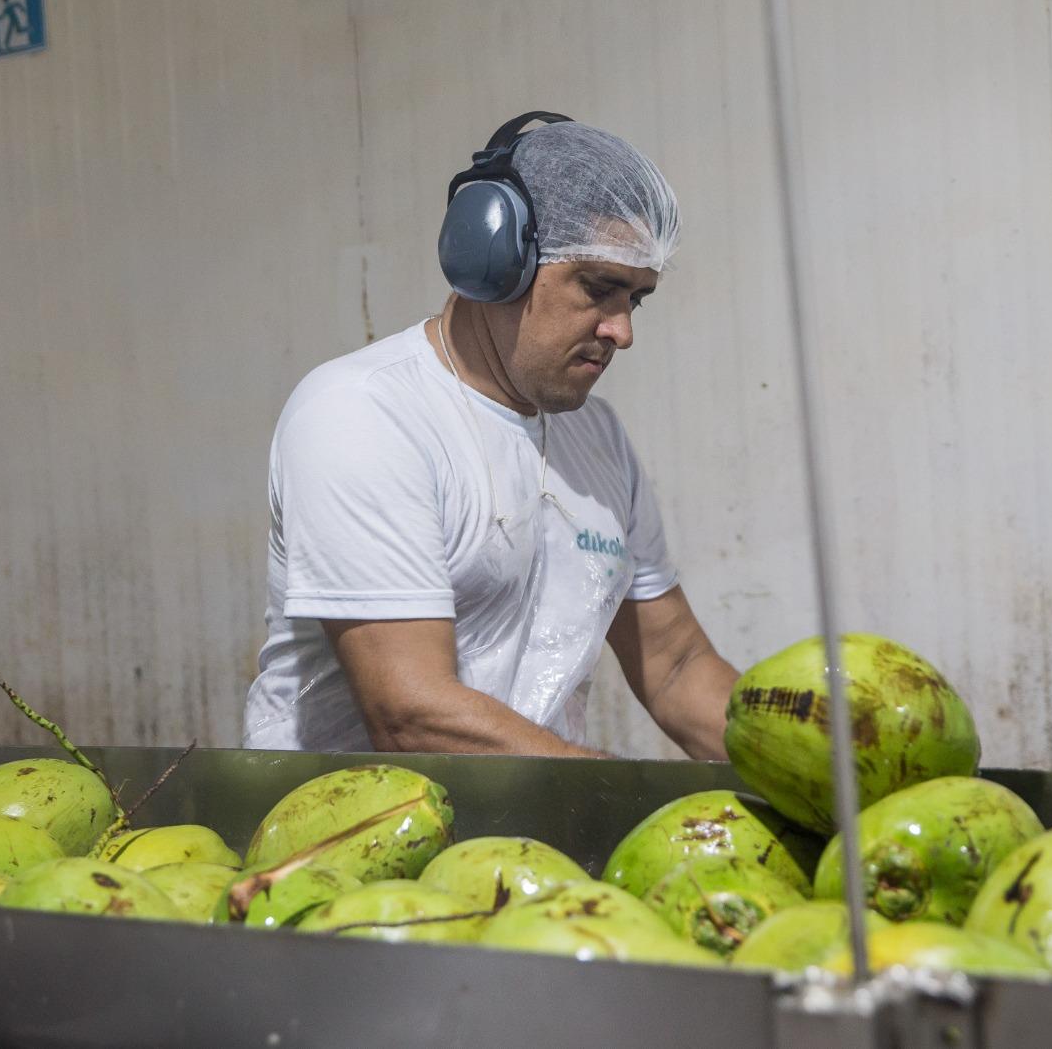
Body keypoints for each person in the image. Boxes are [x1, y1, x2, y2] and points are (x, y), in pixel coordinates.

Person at [243, 113, 737, 759]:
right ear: (494, 259)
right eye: (599, 289)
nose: (622, 331)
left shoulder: (598, 437)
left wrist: (818, 766)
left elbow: (676, 667)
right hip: (352, 817)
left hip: (537, 812)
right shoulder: (364, 413)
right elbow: (411, 712)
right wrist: (611, 792)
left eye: (636, 299)